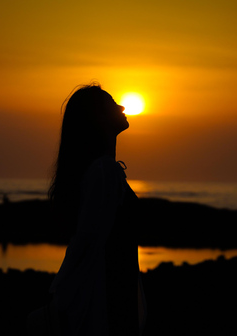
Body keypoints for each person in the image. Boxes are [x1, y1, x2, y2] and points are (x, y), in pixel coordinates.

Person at [27, 84, 146, 335]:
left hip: (114, 293)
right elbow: (87, 245)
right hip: (109, 299)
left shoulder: (104, 172)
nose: (122, 106)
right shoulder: (103, 173)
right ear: (97, 119)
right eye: (112, 103)